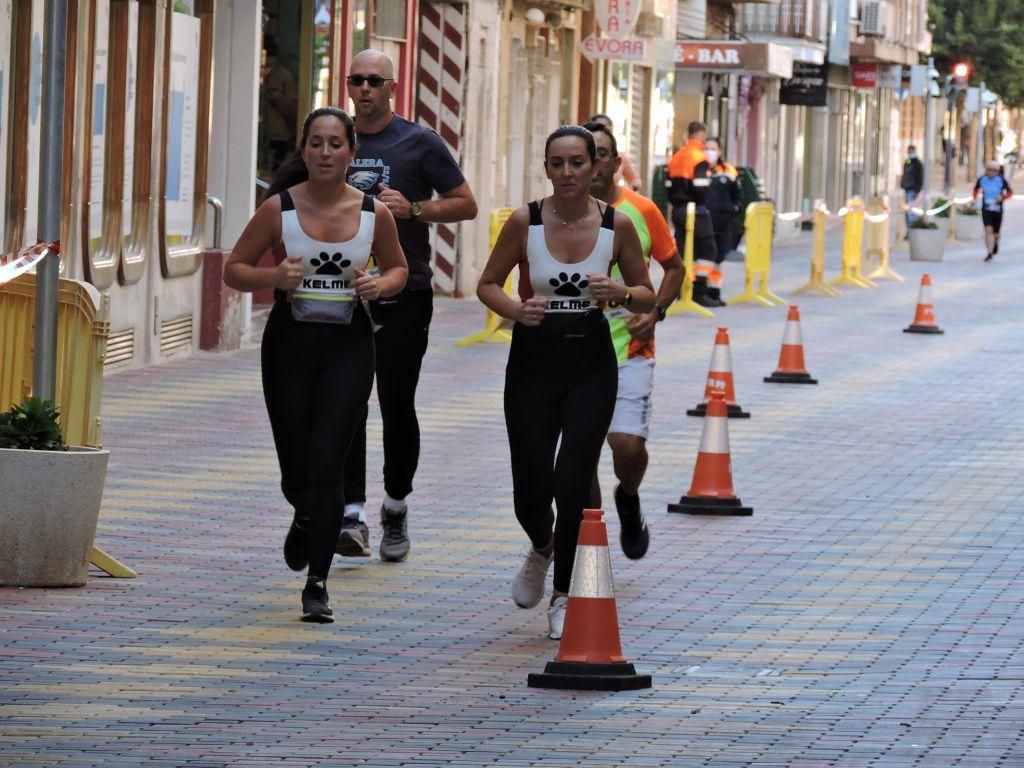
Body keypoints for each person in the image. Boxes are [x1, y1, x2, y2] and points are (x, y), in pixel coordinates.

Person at [223, 107, 409, 622]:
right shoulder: (278, 209)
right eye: (317, 144)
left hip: (349, 346)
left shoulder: (375, 213)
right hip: (289, 345)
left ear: (352, 152)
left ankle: (317, 583)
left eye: (336, 144)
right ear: (303, 150)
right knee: (296, 470)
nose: (326, 153)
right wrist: (273, 277)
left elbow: (398, 268)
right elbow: (234, 270)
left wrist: (380, 285)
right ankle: (304, 514)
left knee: (330, 462)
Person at [476, 125, 655, 639]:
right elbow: (487, 283)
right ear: (547, 168)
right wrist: (516, 308)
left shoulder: (616, 225)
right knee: (530, 493)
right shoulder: (525, 221)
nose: (569, 172)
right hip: (533, 360)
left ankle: (563, 594)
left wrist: (619, 291)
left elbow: (646, 293)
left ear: (596, 166)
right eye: (558, 163)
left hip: (591, 362)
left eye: (579, 162)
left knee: (572, 482)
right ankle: (542, 543)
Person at [341, 49, 478, 561]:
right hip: (344, 292)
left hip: (405, 289)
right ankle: (351, 512)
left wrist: (415, 208)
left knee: (396, 404)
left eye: (375, 80)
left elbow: (466, 203)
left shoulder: (419, 142)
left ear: (392, 86)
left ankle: (395, 507)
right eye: (357, 80)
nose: (365, 89)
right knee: (348, 401)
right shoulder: (335, 139)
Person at [583, 121, 685, 559]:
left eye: (603, 154)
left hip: (630, 347)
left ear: (616, 162)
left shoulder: (642, 211)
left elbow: (675, 268)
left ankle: (628, 494)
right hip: (575, 349)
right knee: (581, 453)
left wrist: (656, 311)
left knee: (626, 447)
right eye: (588, 156)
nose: (594, 164)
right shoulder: (552, 214)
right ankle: (589, 538)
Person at [667, 121, 721, 306]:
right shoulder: (699, 157)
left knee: (684, 251)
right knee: (708, 249)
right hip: (696, 210)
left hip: (678, 210)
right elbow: (701, 186)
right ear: (702, 136)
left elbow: (667, 185)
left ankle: (682, 290)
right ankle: (699, 291)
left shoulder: (677, 156)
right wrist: (704, 203)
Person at [261, 35, 298, 172]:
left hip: (278, 137)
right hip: (258, 134)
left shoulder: (283, 75)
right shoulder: (251, 72)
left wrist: (278, 98)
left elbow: (294, 110)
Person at [703, 137, 742, 261]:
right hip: (704, 220)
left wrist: (735, 208)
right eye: (706, 148)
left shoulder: (728, 170)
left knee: (720, 255)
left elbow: (738, 194)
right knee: (706, 254)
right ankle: (701, 280)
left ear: (719, 151)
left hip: (724, 221)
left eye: (713, 149)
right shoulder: (699, 170)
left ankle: (713, 279)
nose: (709, 152)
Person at [589, 114, 642, 191]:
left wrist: (628, 190)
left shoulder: (619, 157)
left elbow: (635, 180)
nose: (601, 134)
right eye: (597, 129)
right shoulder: (580, 155)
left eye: (606, 130)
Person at [974, 160, 1013, 261]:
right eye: (989, 169)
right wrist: (974, 200)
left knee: (996, 234)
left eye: (994, 170)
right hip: (986, 209)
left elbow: (1010, 192)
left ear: (998, 171)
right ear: (986, 170)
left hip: (997, 210)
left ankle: (996, 243)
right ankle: (989, 252)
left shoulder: (1001, 180)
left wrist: (1002, 197)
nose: (991, 172)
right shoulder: (982, 179)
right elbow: (975, 190)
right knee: (987, 230)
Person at [900, 145, 924, 235]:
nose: (909, 153)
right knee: (907, 212)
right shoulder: (907, 161)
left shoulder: (917, 163)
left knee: (911, 212)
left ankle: (912, 232)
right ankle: (909, 231)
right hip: (906, 189)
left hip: (912, 190)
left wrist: (917, 190)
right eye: (908, 151)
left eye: (911, 151)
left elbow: (920, 177)